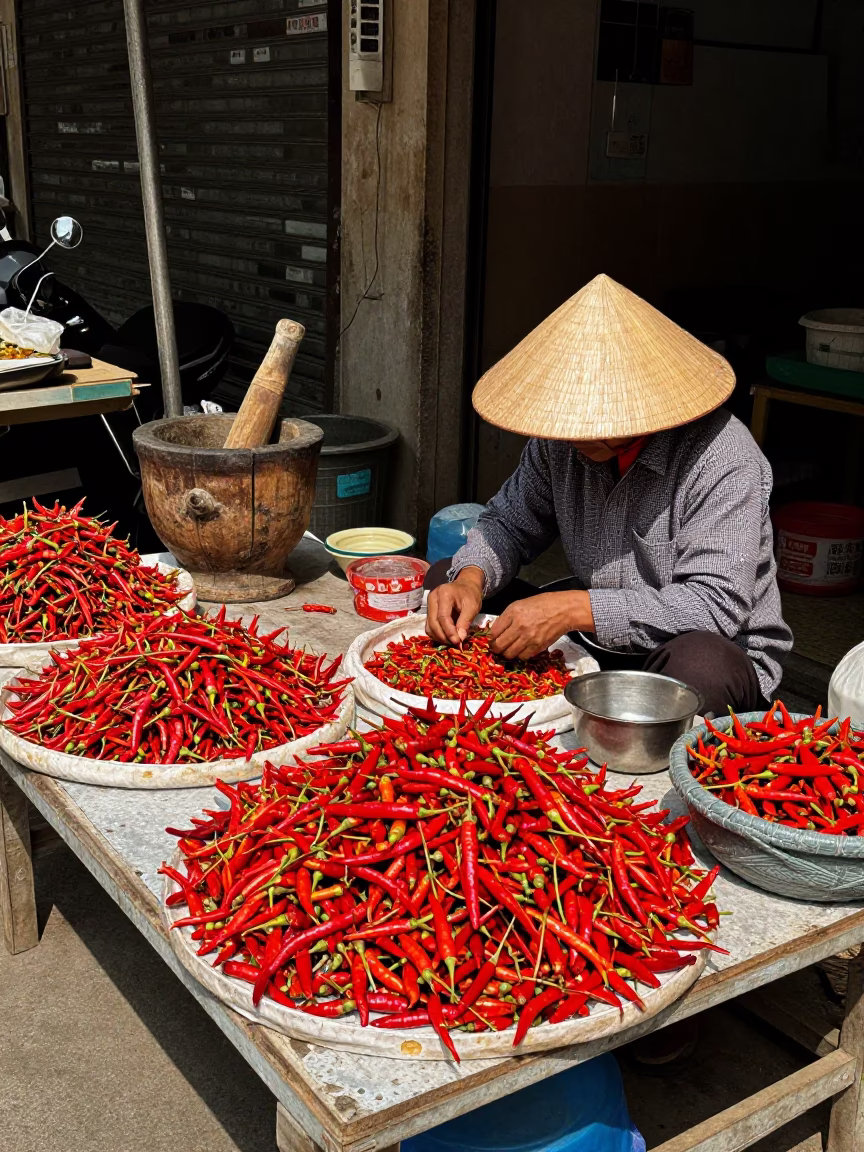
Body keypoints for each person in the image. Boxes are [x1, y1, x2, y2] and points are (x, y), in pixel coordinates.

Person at [425, 273, 792, 716]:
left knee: (702, 668)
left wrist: (574, 609)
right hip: (598, 634)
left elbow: (713, 606)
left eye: (595, 424)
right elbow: (508, 523)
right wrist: (470, 578)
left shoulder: (723, 457)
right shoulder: (559, 443)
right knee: (446, 580)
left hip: (693, 646)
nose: (575, 437)